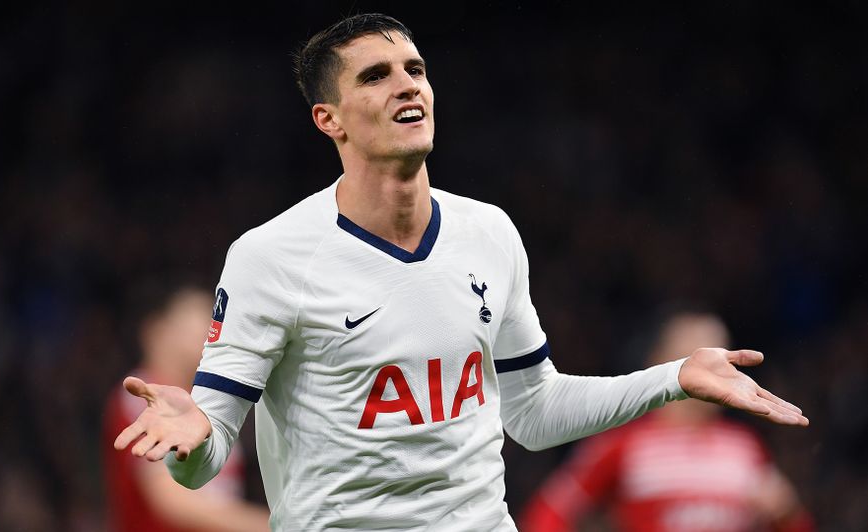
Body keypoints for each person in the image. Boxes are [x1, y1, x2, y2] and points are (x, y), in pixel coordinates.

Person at [113, 14, 808, 531]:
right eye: (376, 76)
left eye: (414, 69)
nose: (406, 85)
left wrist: (674, 378)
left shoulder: (489, 233)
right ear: (329, 120)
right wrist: (189, 443)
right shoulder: (270, 257)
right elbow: (204, 456)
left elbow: (533, 411)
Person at [519, 310, 814, 532]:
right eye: (698, 355)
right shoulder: (625, 443)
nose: (715, 370)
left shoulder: (744, 446)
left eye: (723, 356)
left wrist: (787, 515)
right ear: (661, 362)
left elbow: (793, 522)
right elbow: (548, 513)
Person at [103, 284, 269, 531]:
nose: (211, 337)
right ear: (157, 332)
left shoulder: (207, 408)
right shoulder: (142, 397)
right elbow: (173, 501)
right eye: (198, 327)